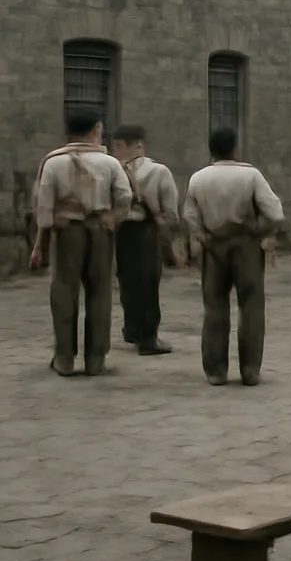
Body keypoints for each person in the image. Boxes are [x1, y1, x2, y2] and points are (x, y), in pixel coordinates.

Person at [30, 108, 133, 376]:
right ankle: (96, 359)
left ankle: (64, 358)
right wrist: (113, 218)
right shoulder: (109, 163)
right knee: (100, 292)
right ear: (96, 129)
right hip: (99, 229)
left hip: (67, 230)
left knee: (64, 291)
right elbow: (125, 196)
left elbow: (44, 207)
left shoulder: (53, 162)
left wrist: (40, 244)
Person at [182, 127, 284, 386]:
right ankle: (250, 370)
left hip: (214, 246)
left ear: (211, 150)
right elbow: (275, 213)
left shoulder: (198, 178)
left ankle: (216, 371)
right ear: (236, 149)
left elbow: (190, 216)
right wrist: (261, 232)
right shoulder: (251, 175)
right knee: (251, 306)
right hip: (246, 246)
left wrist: (203, 236)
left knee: (214, 306)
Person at [110, 125, 179, 356]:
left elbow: (169, 209)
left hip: (135, 230)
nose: (117, 151)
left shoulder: (154, 171)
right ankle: (142, 334)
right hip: (135, 231)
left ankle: (140, 332)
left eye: (120, 146)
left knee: (137, 283)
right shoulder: (118, 170)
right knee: (136, 283)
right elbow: (170, 210)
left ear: (138, 145)